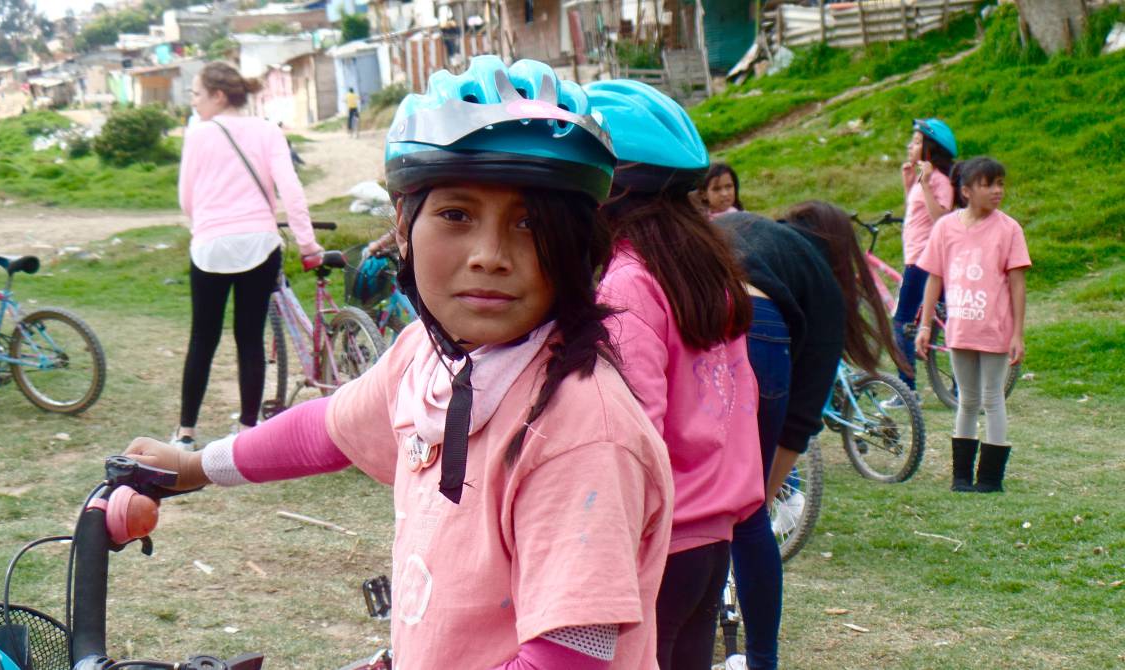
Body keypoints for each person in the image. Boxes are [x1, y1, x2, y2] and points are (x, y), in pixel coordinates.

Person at [125, 56, 674, 669]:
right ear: (403, 230)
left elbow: (570, 654)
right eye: (456, 215)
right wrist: (198, 465)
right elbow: (328, 427)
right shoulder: (429, 355)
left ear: (581, 250)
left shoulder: (579, 430)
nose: (490, 255)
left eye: (529, 223)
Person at [586, 80, 763, 670]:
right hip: (714, 529)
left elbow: (636, 430)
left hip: (663, 536)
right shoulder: (704, 264)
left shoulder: (628, 284)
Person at [716, 206, 907, 669]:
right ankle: (761, 659)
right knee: (747, 519)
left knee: (676, 511)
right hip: (757, 322)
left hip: (684, 307)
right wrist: (757, 498)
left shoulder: (734, 224)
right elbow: (802, 413)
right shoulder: (819, 274)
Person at [173, 62, 324, 449]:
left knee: (202, 338)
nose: (194, 102)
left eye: (196, 94)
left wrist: (206, 223)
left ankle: (186, 433)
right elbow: (290, 190)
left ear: (218, 96)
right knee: (250, 338)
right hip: (260, 244)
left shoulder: (198, 134)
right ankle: (247, 430)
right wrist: (308, 245)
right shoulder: (267, 130)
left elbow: (186, 198)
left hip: (210, 246)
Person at [915, 157, 1029, 493]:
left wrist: (1017, 333)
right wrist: (924, 326)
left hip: (995, 330)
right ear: (966, 191)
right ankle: (961, 477)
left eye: (1001, 184)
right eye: (989, 184)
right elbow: (934, 278)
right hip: (959, 329)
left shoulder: (1009, 229)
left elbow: (1017, 284)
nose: (998, 191)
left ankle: (991, 479)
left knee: (992, 398)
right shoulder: (946, 228)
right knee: (967, 399)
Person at [891, 118, 956, 398]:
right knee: (941, 320)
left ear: (930, 149)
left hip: (923, 261)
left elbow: (941, 218)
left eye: (917, 142)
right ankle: (958, 384)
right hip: (919, 258)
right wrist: (911, 185)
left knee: (902, 322)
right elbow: (917, 216)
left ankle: (907, 389)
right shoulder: (924, 178)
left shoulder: (938, 180)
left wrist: (926, 185)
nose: (910, 146)